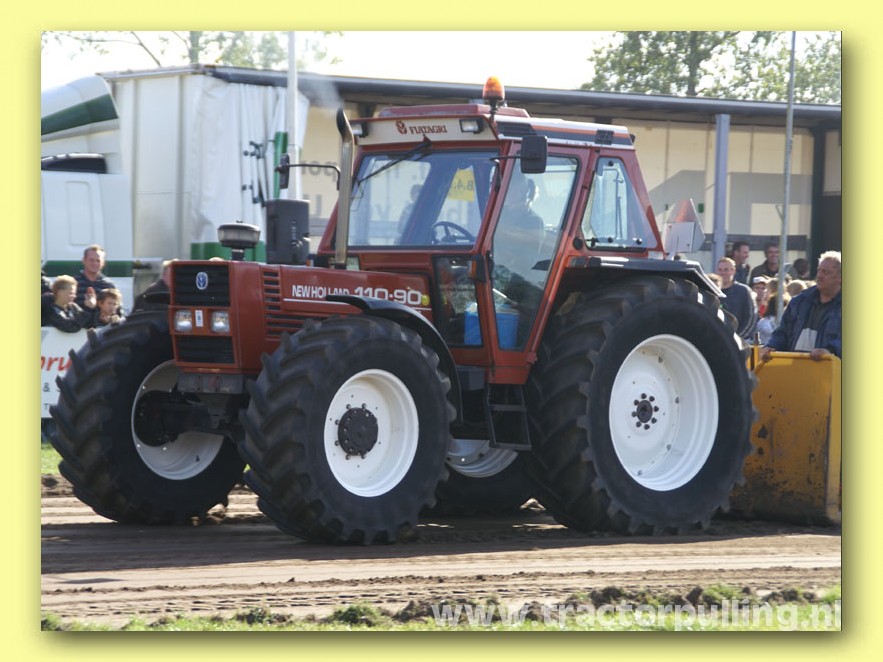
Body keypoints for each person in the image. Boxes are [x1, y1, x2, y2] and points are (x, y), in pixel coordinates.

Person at [760, 251, 841, 361]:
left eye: (826, 272)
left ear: (840, 277)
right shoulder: (799, 302)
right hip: (794, 368)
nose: (819, 276)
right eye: (819, 271)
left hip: (830, 370)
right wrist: (771, 346)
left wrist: (830, 351)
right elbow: (782, 332)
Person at [715, 257, 757, 340]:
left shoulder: (744, 291)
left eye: (726, 269)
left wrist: (738, 338)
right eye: (720, 270)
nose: (722, 273)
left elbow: (751, 317)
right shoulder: (711, 291)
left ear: (733, 271)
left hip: (739, 340)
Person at [74, 244, 118, 310]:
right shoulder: (74, 283)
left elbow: (119, 311)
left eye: (98, 260)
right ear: (83, 260)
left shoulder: (109, 285)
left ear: (103, 263)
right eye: (91, 260)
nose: (95, 263)